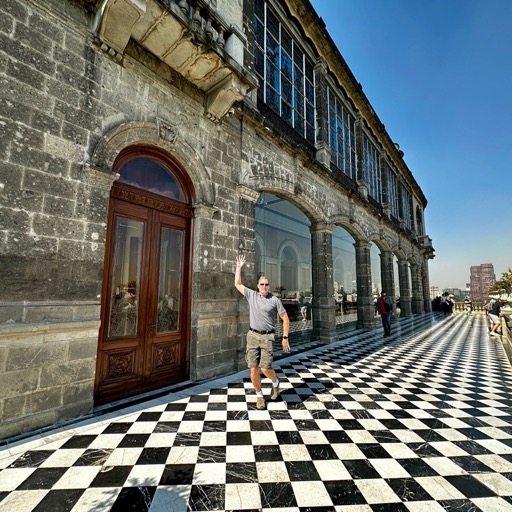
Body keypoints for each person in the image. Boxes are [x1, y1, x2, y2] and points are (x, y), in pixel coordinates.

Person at [235, 254, 290, 410]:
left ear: (269, 286)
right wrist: (239, 267)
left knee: (265, 368)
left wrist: (285, 337)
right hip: (252, 335)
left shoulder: (274, 300)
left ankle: (276, 383)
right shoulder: (252, 295)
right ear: (258, 286)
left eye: (266, 284)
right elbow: (238, 284)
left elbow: (285, 318)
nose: (264, 287)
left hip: (267, 337)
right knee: (253, 368)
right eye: (262, 284)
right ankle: (259, 396)